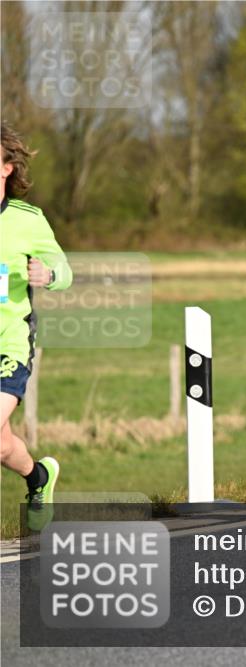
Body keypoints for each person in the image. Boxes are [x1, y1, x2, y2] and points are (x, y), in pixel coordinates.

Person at [0, 121, 72, 531]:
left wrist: (48, 275)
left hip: (9, 342)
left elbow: (64, 268)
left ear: (7, 167)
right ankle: (38, 477)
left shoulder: (28, 219)